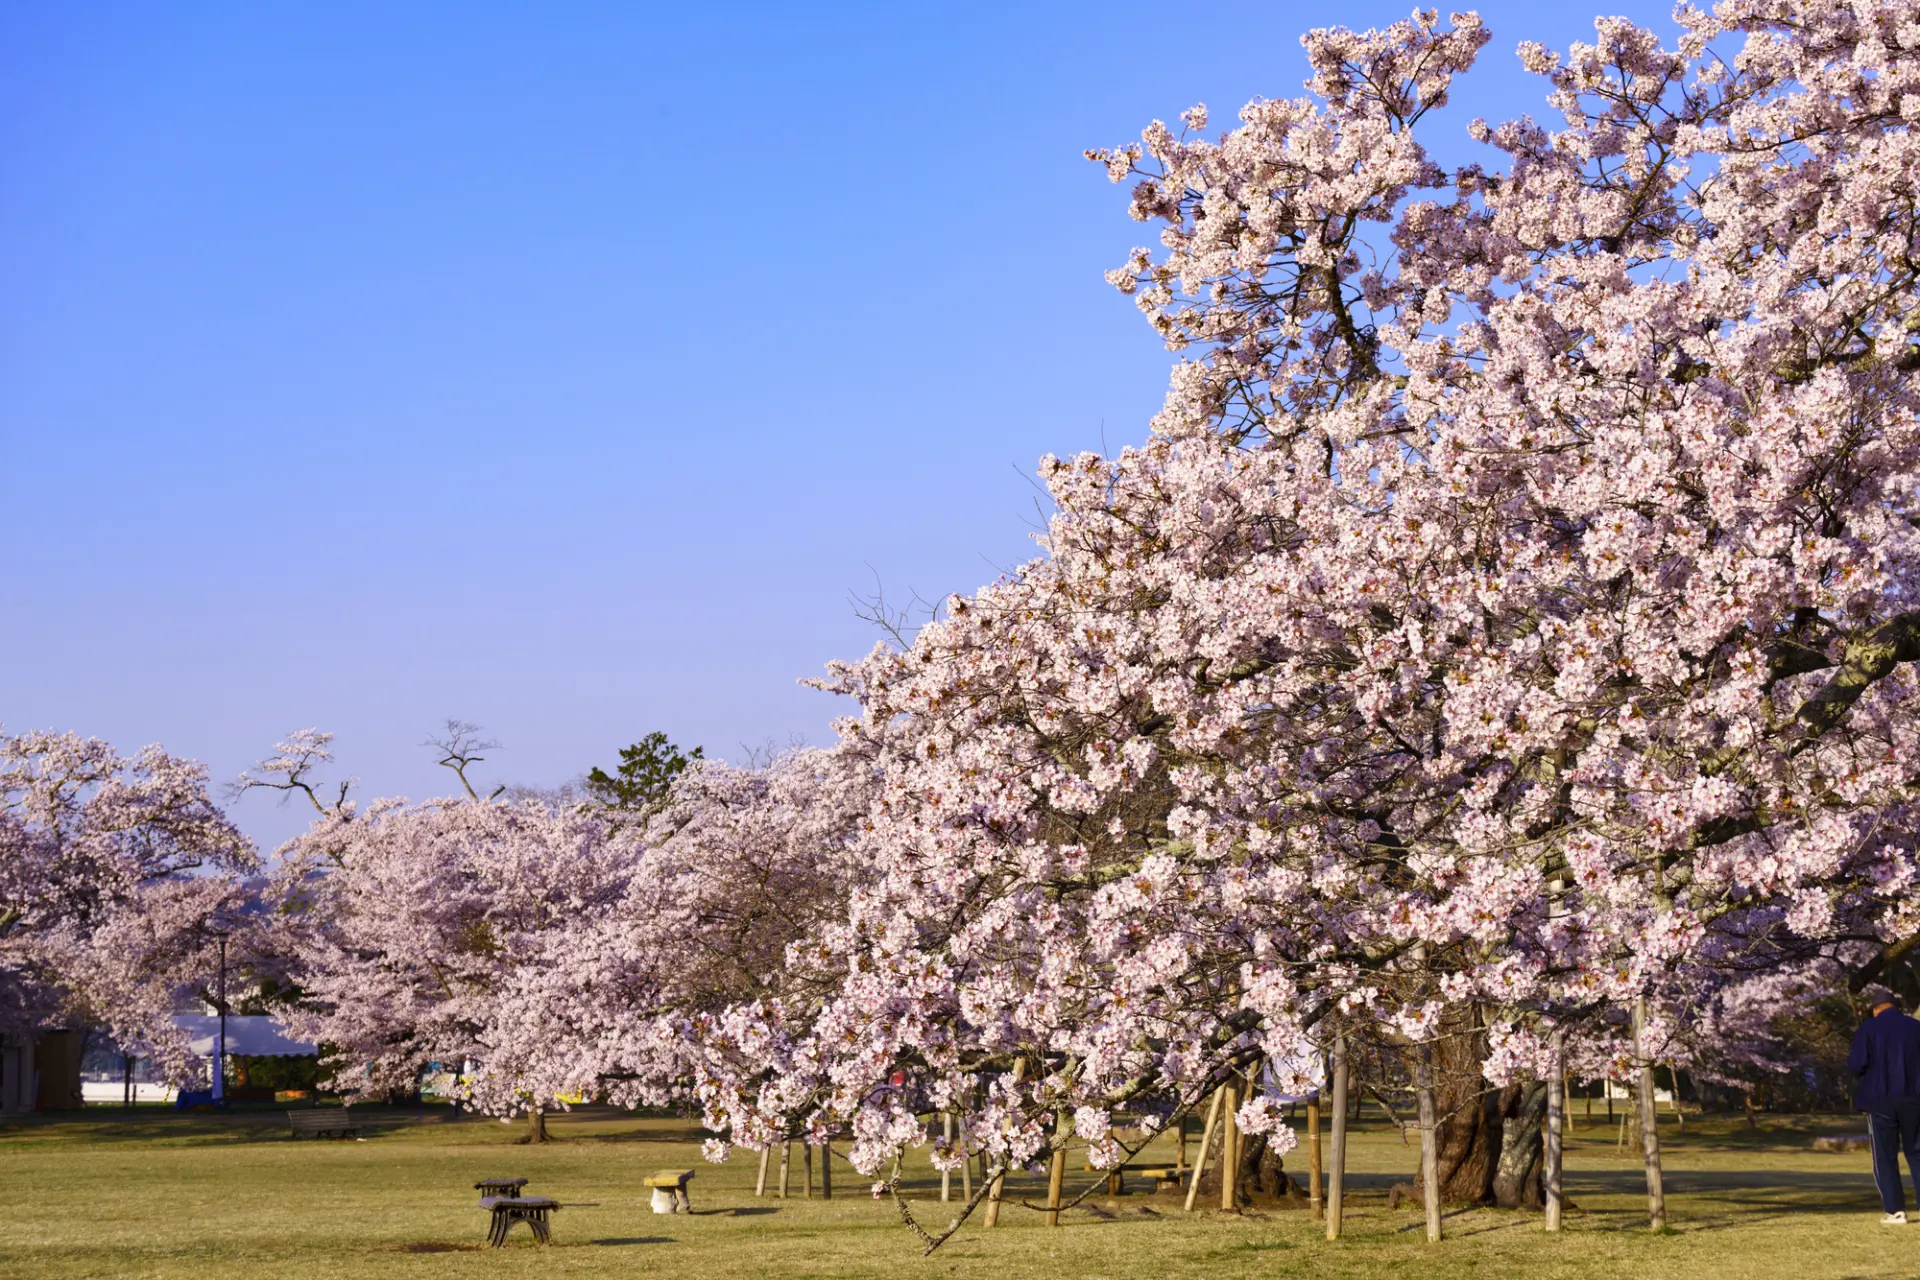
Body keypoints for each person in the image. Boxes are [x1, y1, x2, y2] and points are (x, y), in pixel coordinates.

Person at [1847, 983, 1920, 1225]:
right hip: (1915, 1099)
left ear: (1875, 1009)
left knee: (1885, 1156)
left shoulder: (1869, 1030)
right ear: (1897, 1008)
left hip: (1881, 1101)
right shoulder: (1915, 1027)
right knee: (1917, 1153)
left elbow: (1856, 1065)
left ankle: (1895, 1210)